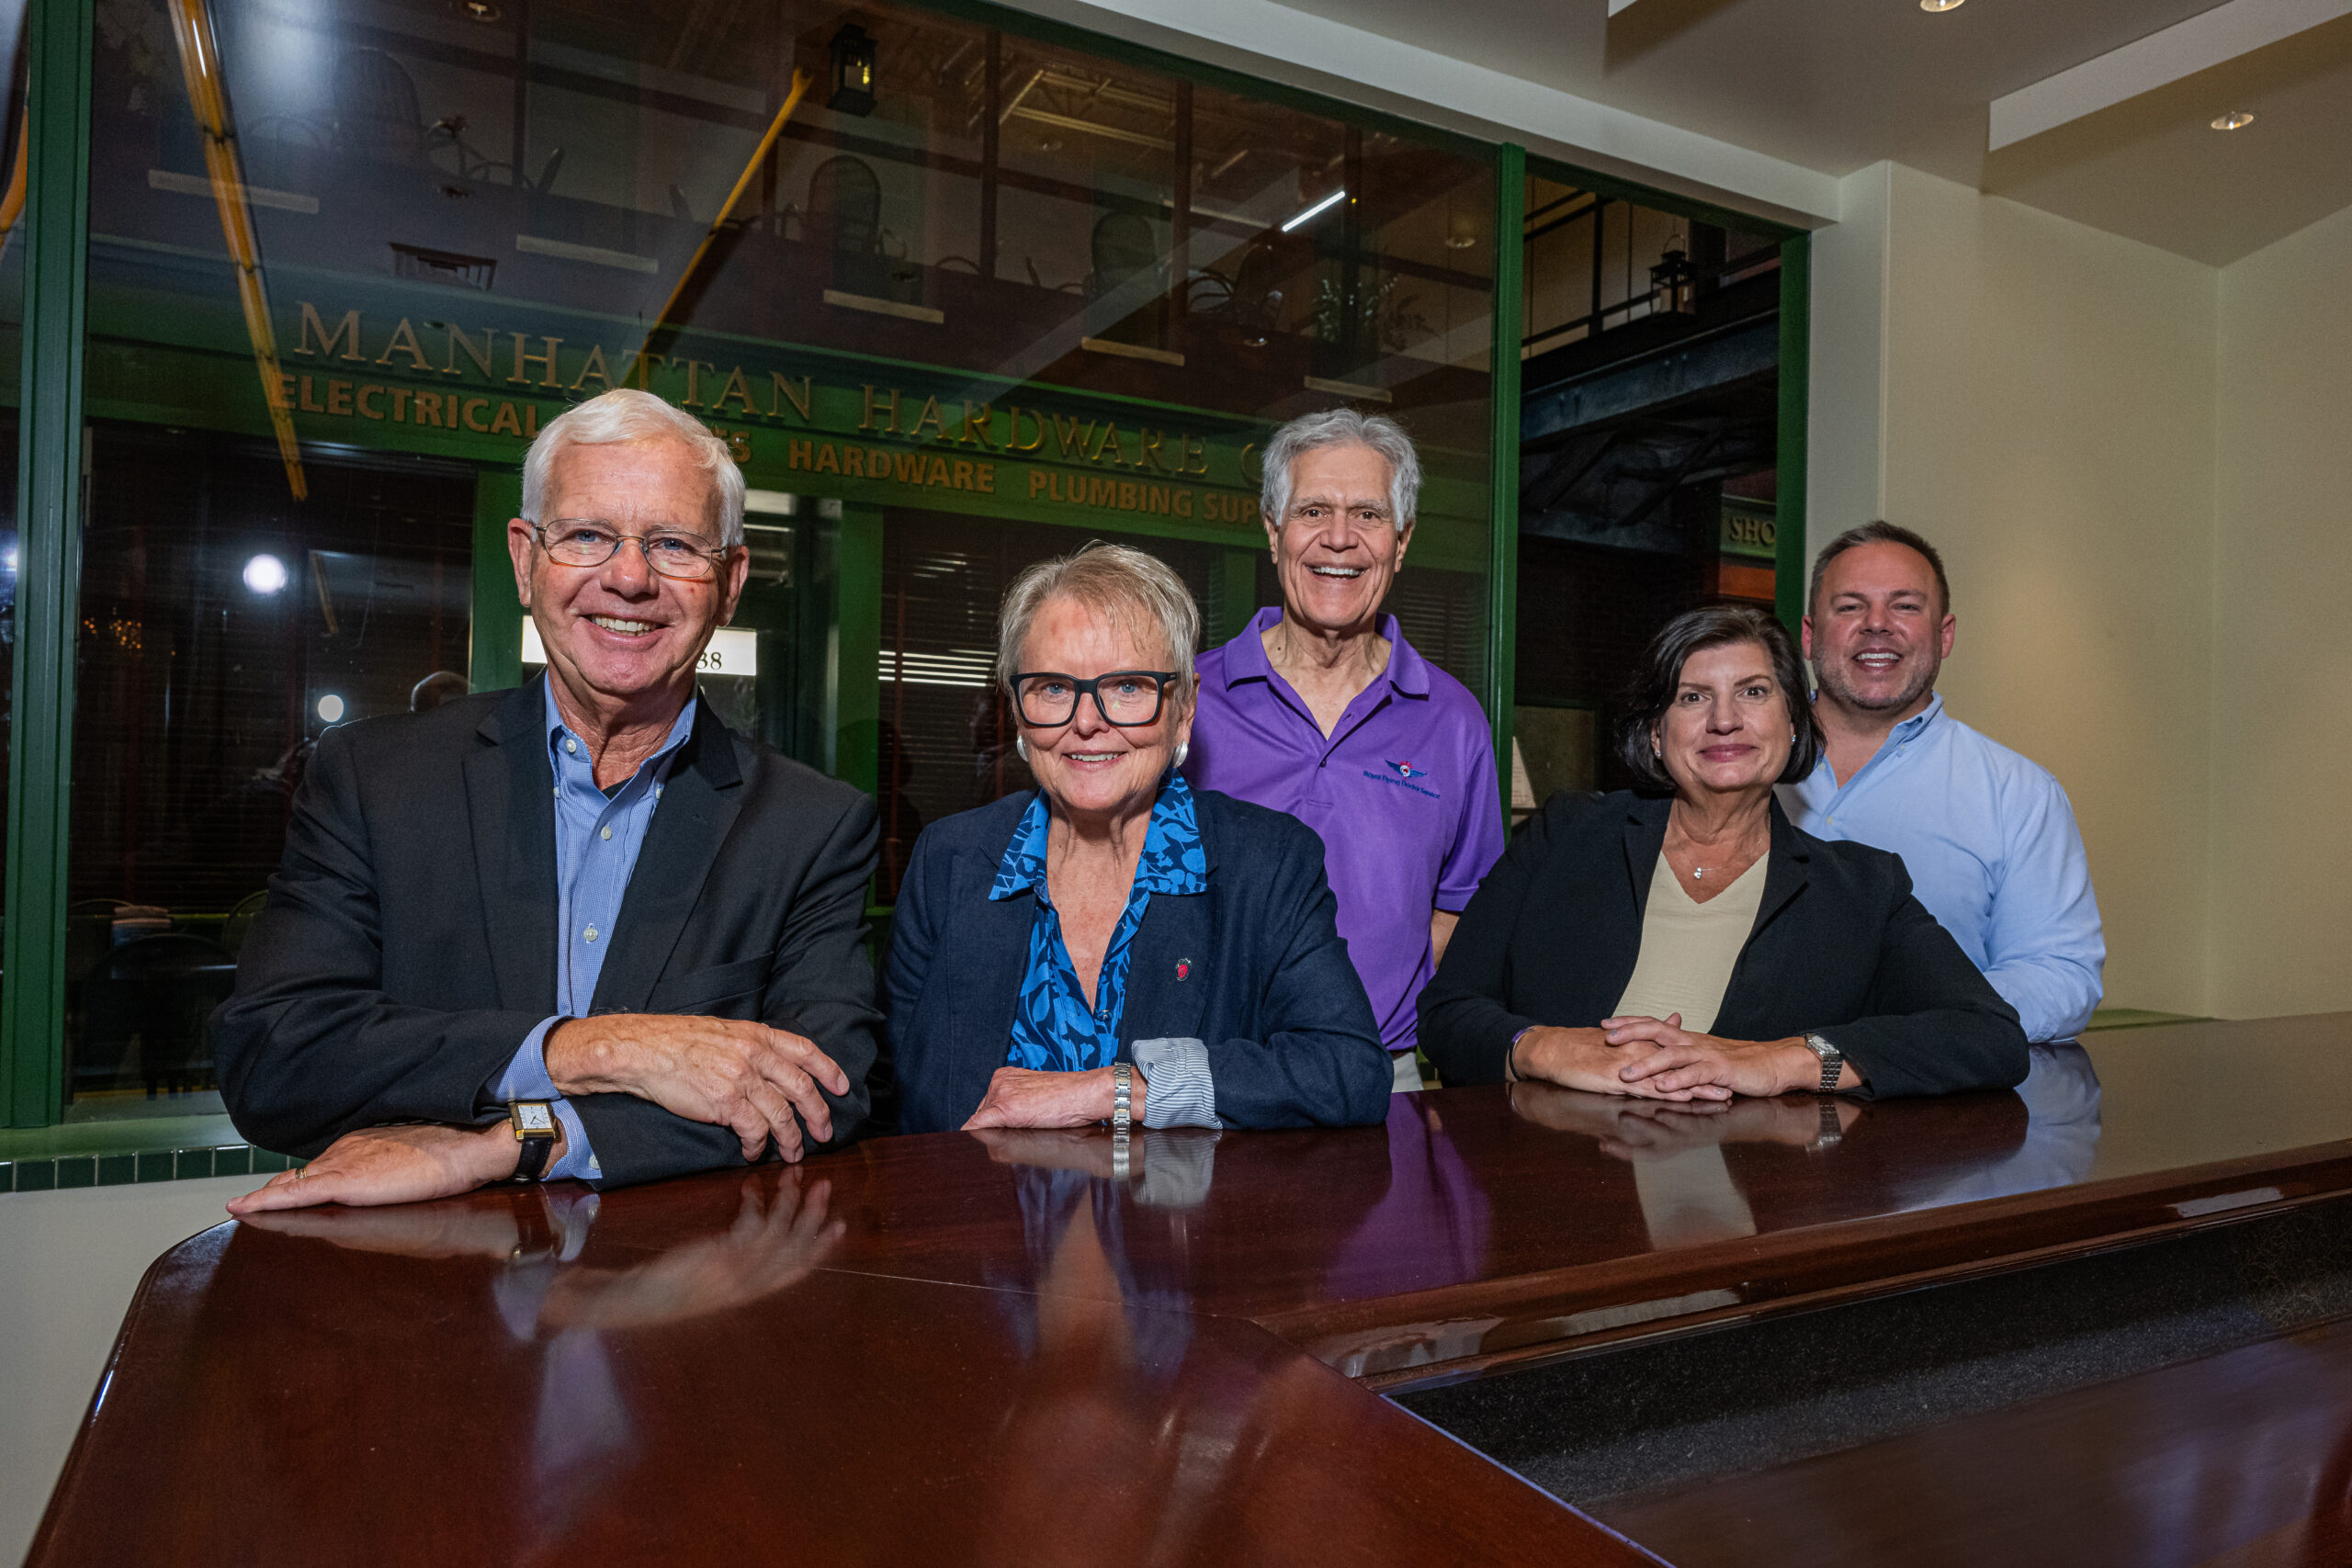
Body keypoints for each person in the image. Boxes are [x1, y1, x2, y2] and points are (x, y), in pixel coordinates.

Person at [218, 389, 881, 1212]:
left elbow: (825, 1094)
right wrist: (599, 1048)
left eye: (674, 543)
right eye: (589, 535)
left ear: (731, 581)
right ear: (526, 559)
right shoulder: (374, 780)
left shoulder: (811, 826)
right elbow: (274, 1057)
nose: (630, 577)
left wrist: (516, 1143)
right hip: (411, 1303)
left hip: (677, 1313)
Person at [1419, 604, 2027, 1100]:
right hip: (1561, 1198)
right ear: (1657, 733)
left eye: (1754, 691)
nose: (1725, 720)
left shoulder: (1863, 888)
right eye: (1692, 698)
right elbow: (1448, 1012)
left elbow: (1989, 1035)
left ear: (1794, 723)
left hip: (1751, 1215)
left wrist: (1782, 1060)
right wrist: (1545, 1049)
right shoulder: (1570, 834)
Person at [883, 541, 1392, 1134]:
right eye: (1052, 687)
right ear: (1016, 711)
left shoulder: (1267, 864)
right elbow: (895, 1096)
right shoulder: (949, 862)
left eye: (1127, 686)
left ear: (1185, 707)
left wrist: (1113, 1088)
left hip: (1176, 1226)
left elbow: (1350, 1070)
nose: (1087, 720)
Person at [1185, 409, 1503, 1093]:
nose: (1339, 538)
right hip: (1204, 1075)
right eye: (1313, 511)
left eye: (1367, 513)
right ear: (1272, 532)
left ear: (1402, 538)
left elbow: (1463, 914)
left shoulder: (1452, 720)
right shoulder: (1190, 700)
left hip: (1385, 1082)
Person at [1781, 522, 2105, 1042]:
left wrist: (1913, 1028)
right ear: (1809, 635)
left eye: (1906, 606)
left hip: (1931, 1101)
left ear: (1945, 635)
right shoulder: (1733, 771)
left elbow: (2059, 976)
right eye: (1849, 607)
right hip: (1729, 1085)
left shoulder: (2018, 794)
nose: (1877, 625)